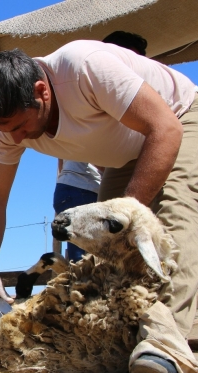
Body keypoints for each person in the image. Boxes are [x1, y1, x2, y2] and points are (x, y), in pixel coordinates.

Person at [0, 39, 198, 373]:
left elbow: (165, 129)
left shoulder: (85, 68)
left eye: (19, 127)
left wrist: (128, 214)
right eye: (3, 129)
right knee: (102, 255)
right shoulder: (6, 129)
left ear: (42, 91)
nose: (13, 139)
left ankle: (166, 341)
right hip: (124, 154)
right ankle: (120, 341)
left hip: (180, 119)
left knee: (171, 211)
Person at [53, 32, 148, 263]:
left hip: (73, 185)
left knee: (90, 258)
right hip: (84, 188)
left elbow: (64, 155)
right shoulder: (100, 89)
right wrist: (116, 178)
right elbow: (93, 150)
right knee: (89, 261)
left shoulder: (111, 92)